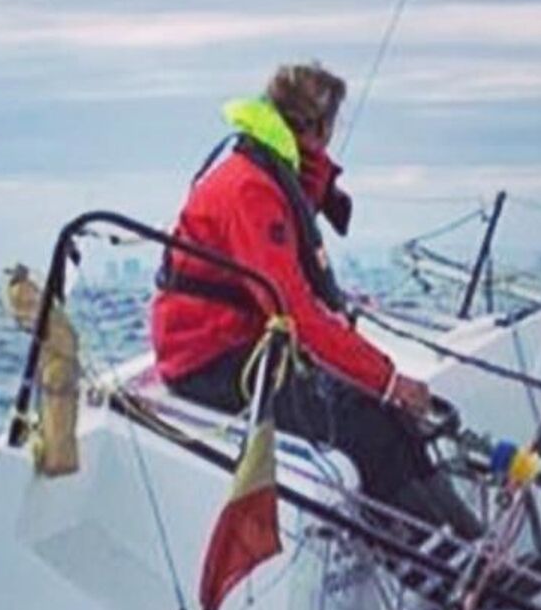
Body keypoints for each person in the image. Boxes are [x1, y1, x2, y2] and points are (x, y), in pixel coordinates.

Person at [152, 63, 482, 540]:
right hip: (209, 361)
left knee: (387, 413)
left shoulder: (262, 171)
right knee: (362, 422)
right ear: (317, 129)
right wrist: (388, 379)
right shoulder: (249, 189)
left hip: (244, 343)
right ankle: (438, 559)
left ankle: (469, 544)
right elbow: (295, 314)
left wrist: (382, 383)